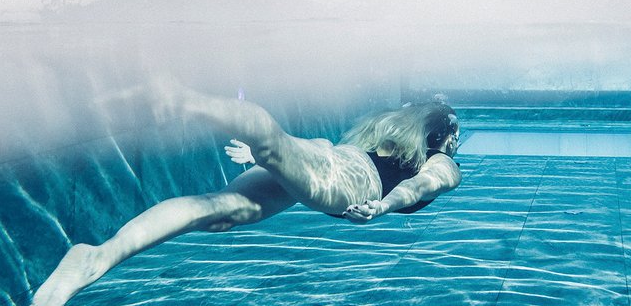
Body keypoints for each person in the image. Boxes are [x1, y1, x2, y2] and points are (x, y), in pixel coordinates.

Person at [31, 84, 462, 306]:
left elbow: (327, 152)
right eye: (456, 133)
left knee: (222, 210)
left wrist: (269, 158)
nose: (458, 142)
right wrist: (384, 205)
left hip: (332, 154)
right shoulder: (443, 163)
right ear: (440, 135)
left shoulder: (385, 139)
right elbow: (419, 186)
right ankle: (186, 101)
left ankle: (96, 256)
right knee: (271, 143)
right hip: (348, 180)